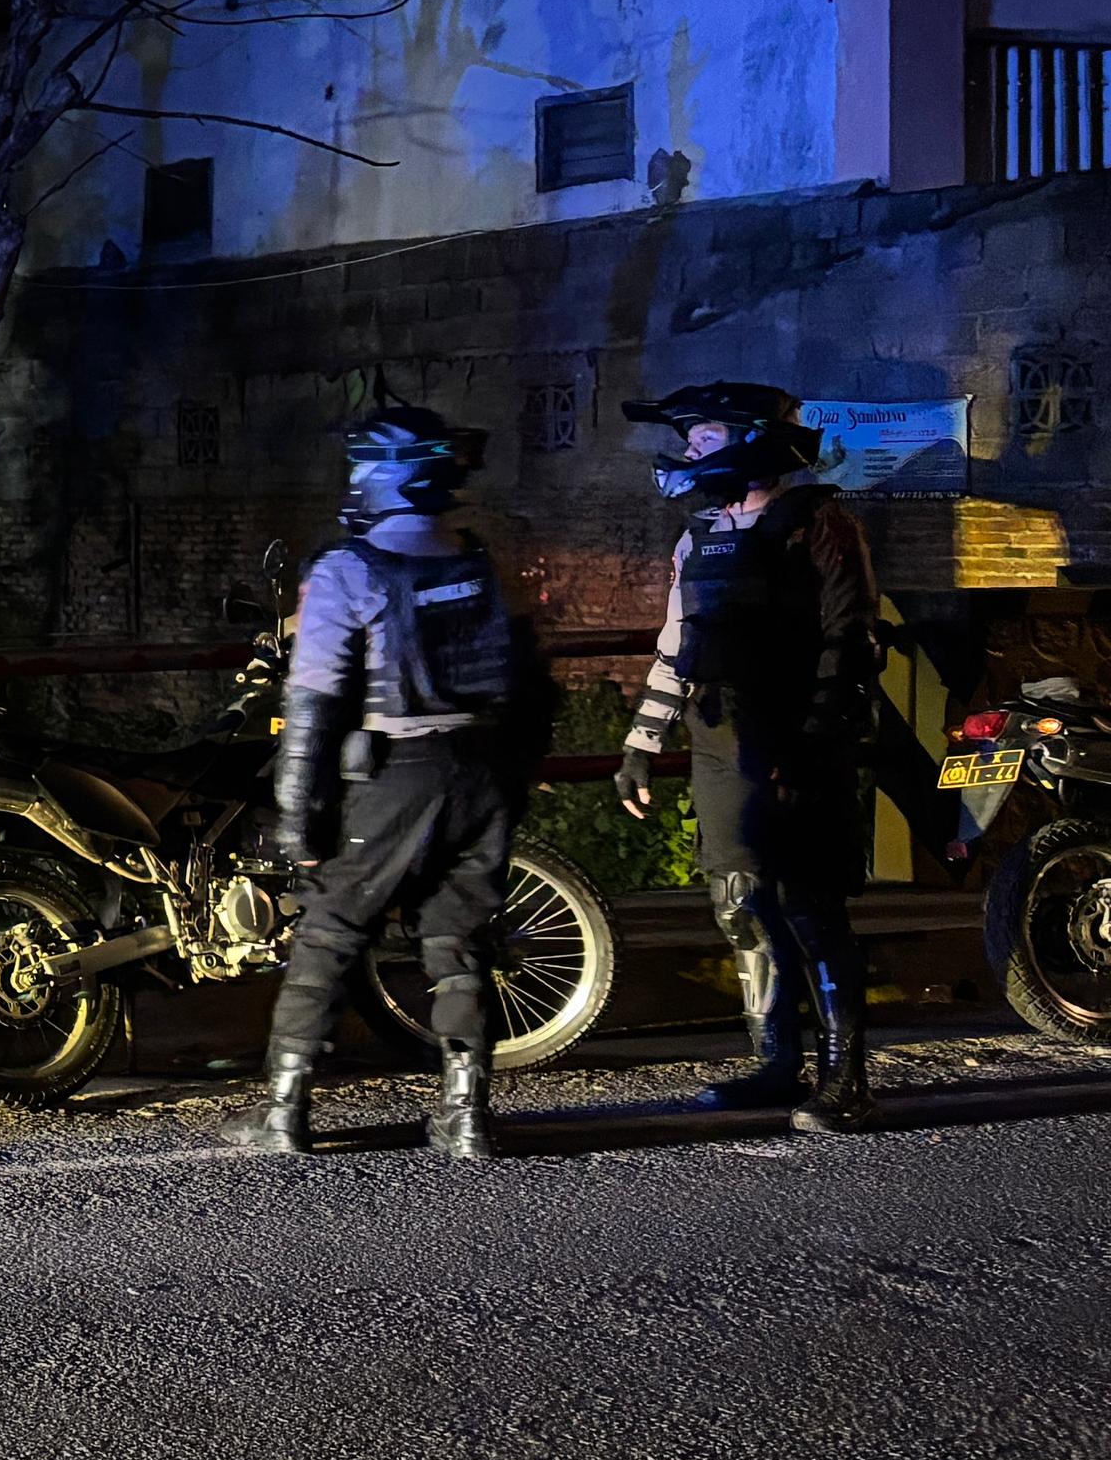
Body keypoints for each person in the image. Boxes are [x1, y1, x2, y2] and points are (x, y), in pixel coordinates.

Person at [240, 408, 550, 1160]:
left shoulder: (347, 569)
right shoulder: (477, 561)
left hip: (397, 771)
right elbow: (532, 684)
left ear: (387, 478)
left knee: (333, 927)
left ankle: (284, 1111)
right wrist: (514, 781)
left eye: (358, 469)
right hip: (482, 773)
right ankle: (466, 1112)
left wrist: (298, 823)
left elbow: (310, 704)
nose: (350, 483)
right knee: (457, 937)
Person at [615, 382, 883, 1132]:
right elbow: (678, 645)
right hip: (719, 738)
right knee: (740, 903)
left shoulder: (818, 524)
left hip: (797, 738)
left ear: (754, 441)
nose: (693, 453)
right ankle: (775, 1063)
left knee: (810, 908)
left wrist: (816, 741)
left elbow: (850, 639)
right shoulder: (698, 534)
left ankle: (846, 1079)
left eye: (705, 440)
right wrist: (642, 742)